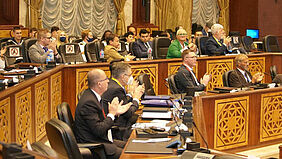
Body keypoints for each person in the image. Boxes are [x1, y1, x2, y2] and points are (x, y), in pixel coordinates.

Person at [74, 69, 132, 159]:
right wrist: (111, 114)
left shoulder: (93, 96)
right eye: (105, 79)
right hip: (96, 146)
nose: (108, 81)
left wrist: (115, 114)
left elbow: (101, 122)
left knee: (131, 145)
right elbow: (99, 130)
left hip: (102, 139)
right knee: (131, 155)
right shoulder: (89, 103)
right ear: (99, 84)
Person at [102, 62, 145, 140]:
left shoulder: (113, 84)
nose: (131, 77)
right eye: (129, 75)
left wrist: (130, 95)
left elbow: (123, 103)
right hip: (118, 128)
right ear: (123, 76)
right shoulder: (116, 89)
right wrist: (136, 98)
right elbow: (128, 113)